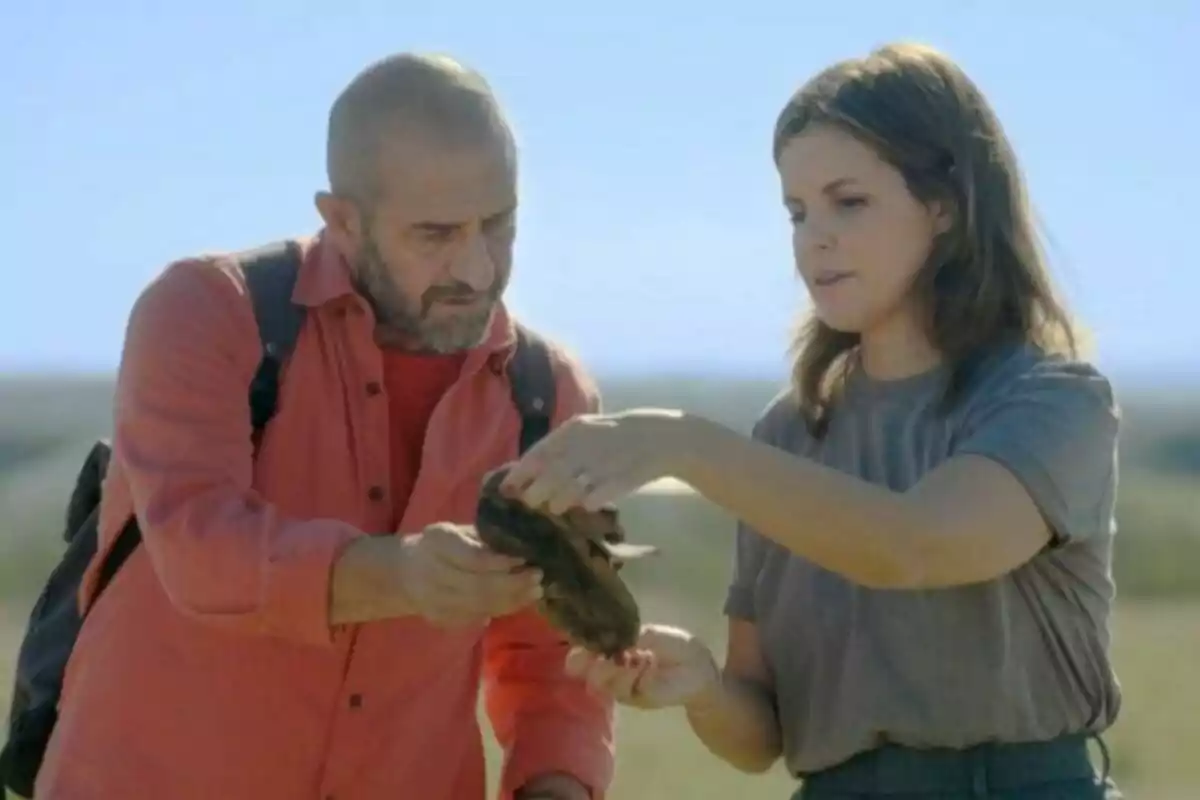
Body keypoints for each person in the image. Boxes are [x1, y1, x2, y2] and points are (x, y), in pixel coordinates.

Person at [501, 42, 1123, 800]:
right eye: (798, 211)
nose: (813, 236)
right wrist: (701, 684)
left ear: (946, 207)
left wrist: (678, 441)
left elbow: (914, 546)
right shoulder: (789, 437)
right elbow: (763, 736)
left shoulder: (1052, 403)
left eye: (848, 201)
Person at [35, 53, 613, 800]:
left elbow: (553, 661)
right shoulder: (207, 311)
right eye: (435, 234)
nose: (477, 268)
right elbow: (201, 547)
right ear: (341, 220)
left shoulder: (551, 394)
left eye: (499, 225)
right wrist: (399, 575)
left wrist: (556, 786)